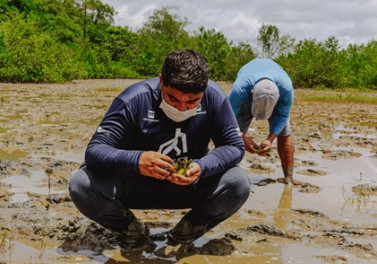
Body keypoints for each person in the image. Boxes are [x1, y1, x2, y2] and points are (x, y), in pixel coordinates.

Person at [69, 48, 251, 248]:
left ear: (204, 90)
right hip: (136, 185)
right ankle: (132, 231)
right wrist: (137, 161)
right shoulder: (134, 99)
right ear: (161, 81)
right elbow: (95, 150)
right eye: (173, 98)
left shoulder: (214, 98)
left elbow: (234, 146)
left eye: (192, 101)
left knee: (238, 182)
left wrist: (202, 166)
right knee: (81, 183)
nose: (181, 108)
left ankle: (184, 233)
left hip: (188, 185)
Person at [228, 58, 294, 183]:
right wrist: (241, 135)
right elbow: (227, 118)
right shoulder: (240, 89)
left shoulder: (286, 89)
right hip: (245, 102)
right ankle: (226, 174)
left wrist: (270, 139)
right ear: (252, 94)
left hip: (274, 95)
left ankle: (289, 178)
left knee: (284, 132)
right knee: (231, 136)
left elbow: (283, 116)